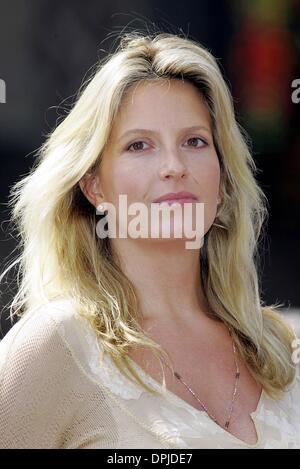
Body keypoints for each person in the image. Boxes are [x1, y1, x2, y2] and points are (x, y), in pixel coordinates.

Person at [0, 31, 299, 449]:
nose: (174, 166)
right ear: (93, 187)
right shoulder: (56, 345)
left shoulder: (281, 346)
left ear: (223, 178)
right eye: (139, 145)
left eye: (194, 141)